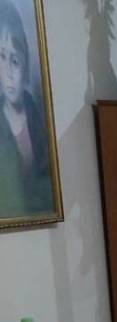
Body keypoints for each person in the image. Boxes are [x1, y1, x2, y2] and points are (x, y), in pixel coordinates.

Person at [0, 0, 53, 217]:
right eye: (1, 57)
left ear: (25, 62)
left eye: (15, 60)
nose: (8, 73)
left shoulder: (36, 116)